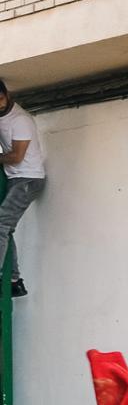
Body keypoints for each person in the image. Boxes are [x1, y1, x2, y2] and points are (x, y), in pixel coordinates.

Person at [0, 79, 46, 298]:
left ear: (6, 94)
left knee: (1, 224)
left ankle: (6, 277)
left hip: (28, 179)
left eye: (0, 99)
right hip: (14, 178)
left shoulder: (20, 120)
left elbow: (17, 157)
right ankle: (14, 280)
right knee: (5, 228)